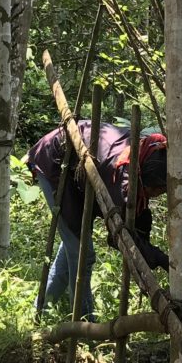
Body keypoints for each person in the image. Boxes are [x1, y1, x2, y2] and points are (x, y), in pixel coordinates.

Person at [27, 121, 170, 320]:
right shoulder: (124, 180)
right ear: (144, 177)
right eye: (156, 189)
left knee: (73, 249)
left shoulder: (148, 154)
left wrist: (158, 256)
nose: (157, 195)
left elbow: (139, 224)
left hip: (82, 174)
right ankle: (85, 324)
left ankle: (40, 311)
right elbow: (120, 236)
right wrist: (161, 259)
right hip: (56, 164)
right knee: (83, 256)